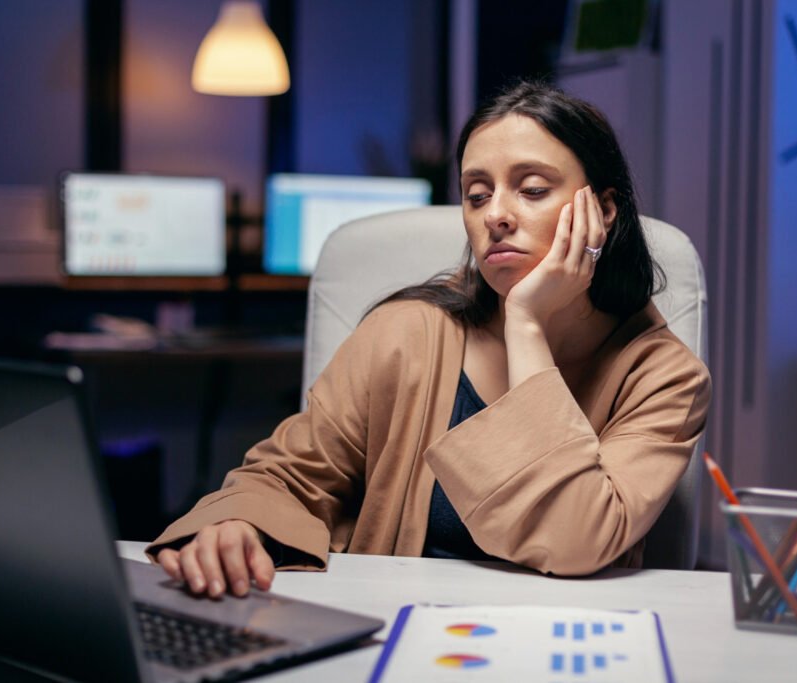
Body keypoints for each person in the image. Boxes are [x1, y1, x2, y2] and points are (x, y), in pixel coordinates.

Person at [149, 81, 711, 598]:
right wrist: (238, 524)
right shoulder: (406, 332)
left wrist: (526, 324)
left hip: (570, 644)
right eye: (477, 194)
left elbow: (573, 540)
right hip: (395, 631)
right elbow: (288, 474)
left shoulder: (664, 377)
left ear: (604, 212)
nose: (497, 215)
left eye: (532, 189)